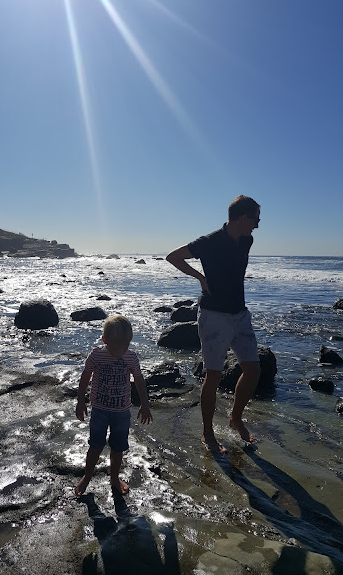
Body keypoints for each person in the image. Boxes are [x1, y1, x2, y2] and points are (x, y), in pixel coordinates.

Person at [166, 195, 261, 452]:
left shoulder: (247, 240)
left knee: (253, 370)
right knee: (214, 375)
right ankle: (208, 433)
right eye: (256, 218)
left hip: (240, 314)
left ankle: (235, 418)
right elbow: (173, 257)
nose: (258, 225)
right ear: (242, 218)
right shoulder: (208, 242)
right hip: (214, 315)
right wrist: (199, 277)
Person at [75, 314, 152, 496]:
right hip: (99, 411)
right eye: (114, 348)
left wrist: (145, 404)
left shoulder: (131, 357)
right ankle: (87, 476)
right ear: (104, 340)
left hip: (122, 412)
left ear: (129, 343)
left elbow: (139, 381)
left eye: (124, 347)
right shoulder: (96, 355)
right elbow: (85, 377)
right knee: (95, 445)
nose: (119, 352)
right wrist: (80, 401)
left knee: (118, 448)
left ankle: (114, 478)